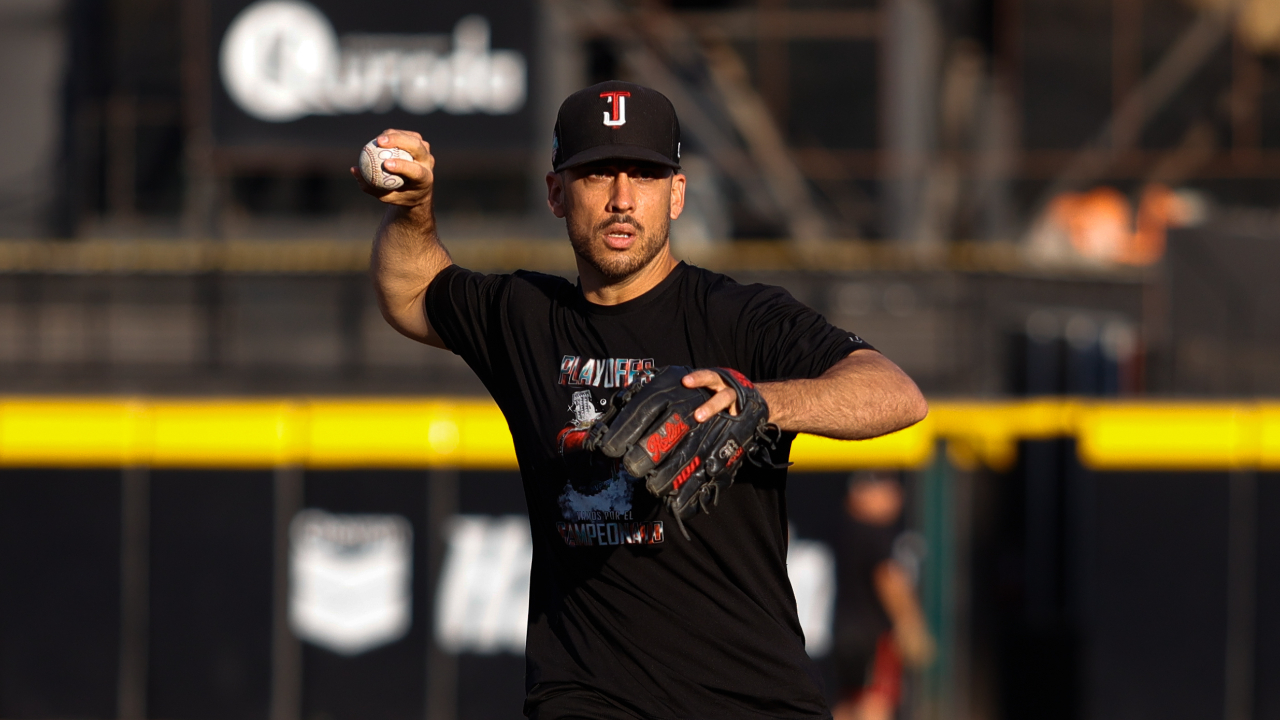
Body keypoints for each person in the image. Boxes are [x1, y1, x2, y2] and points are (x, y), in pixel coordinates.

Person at [355, 80, 928, 720]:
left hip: (752, 696)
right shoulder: (527, 318)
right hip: (588, 694)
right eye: (599, 174)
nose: (623, 199)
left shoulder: (743, 320)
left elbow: (896, 393)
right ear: (555, 193)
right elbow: (411, 293)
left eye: (647, 175)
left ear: (677, 194)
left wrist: (757, 402)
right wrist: (413, 211)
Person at [831, 472, 936, 720]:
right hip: (873, 633)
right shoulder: (873, 533)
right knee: (876, 700)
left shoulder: (842, 528)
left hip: (842, 630)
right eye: (886, 490)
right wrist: (911, 626)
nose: (896, 498)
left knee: (848, 700)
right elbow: (888, 580)